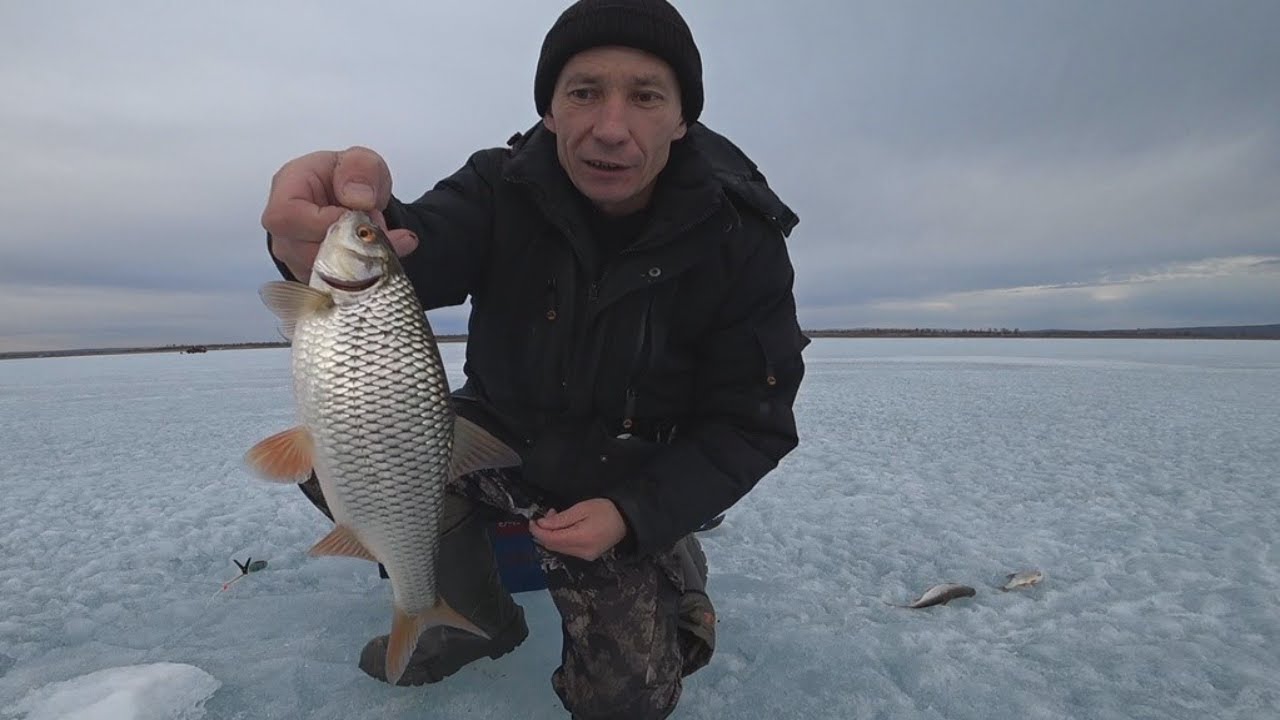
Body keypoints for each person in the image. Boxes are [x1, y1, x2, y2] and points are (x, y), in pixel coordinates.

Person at [260, 1, 807, 717]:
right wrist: (313, 240)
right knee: (344, 458)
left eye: (645, 96)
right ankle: (478, 619)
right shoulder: (501, 187)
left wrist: (635, 512)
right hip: (503, 442)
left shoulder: (741, 237)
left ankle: (676, 565)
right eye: (583, 92)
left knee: (622, 700)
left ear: (682, 117)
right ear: (549, 109)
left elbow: (750, 423)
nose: (611, 128)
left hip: (625, 479)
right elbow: (411, 252)